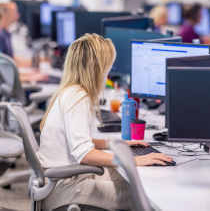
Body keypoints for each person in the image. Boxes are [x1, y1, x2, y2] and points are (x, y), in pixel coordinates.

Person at [37, 34, 173, 211]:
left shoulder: (71, 91)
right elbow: (84, 154)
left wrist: (116, 144)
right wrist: (134, 160)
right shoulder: (78, 97)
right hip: (66, 190)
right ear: (98, 68)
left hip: (64, 180)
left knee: (127, 178)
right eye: (108, 65)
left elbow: (77, 141)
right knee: (144, 197)